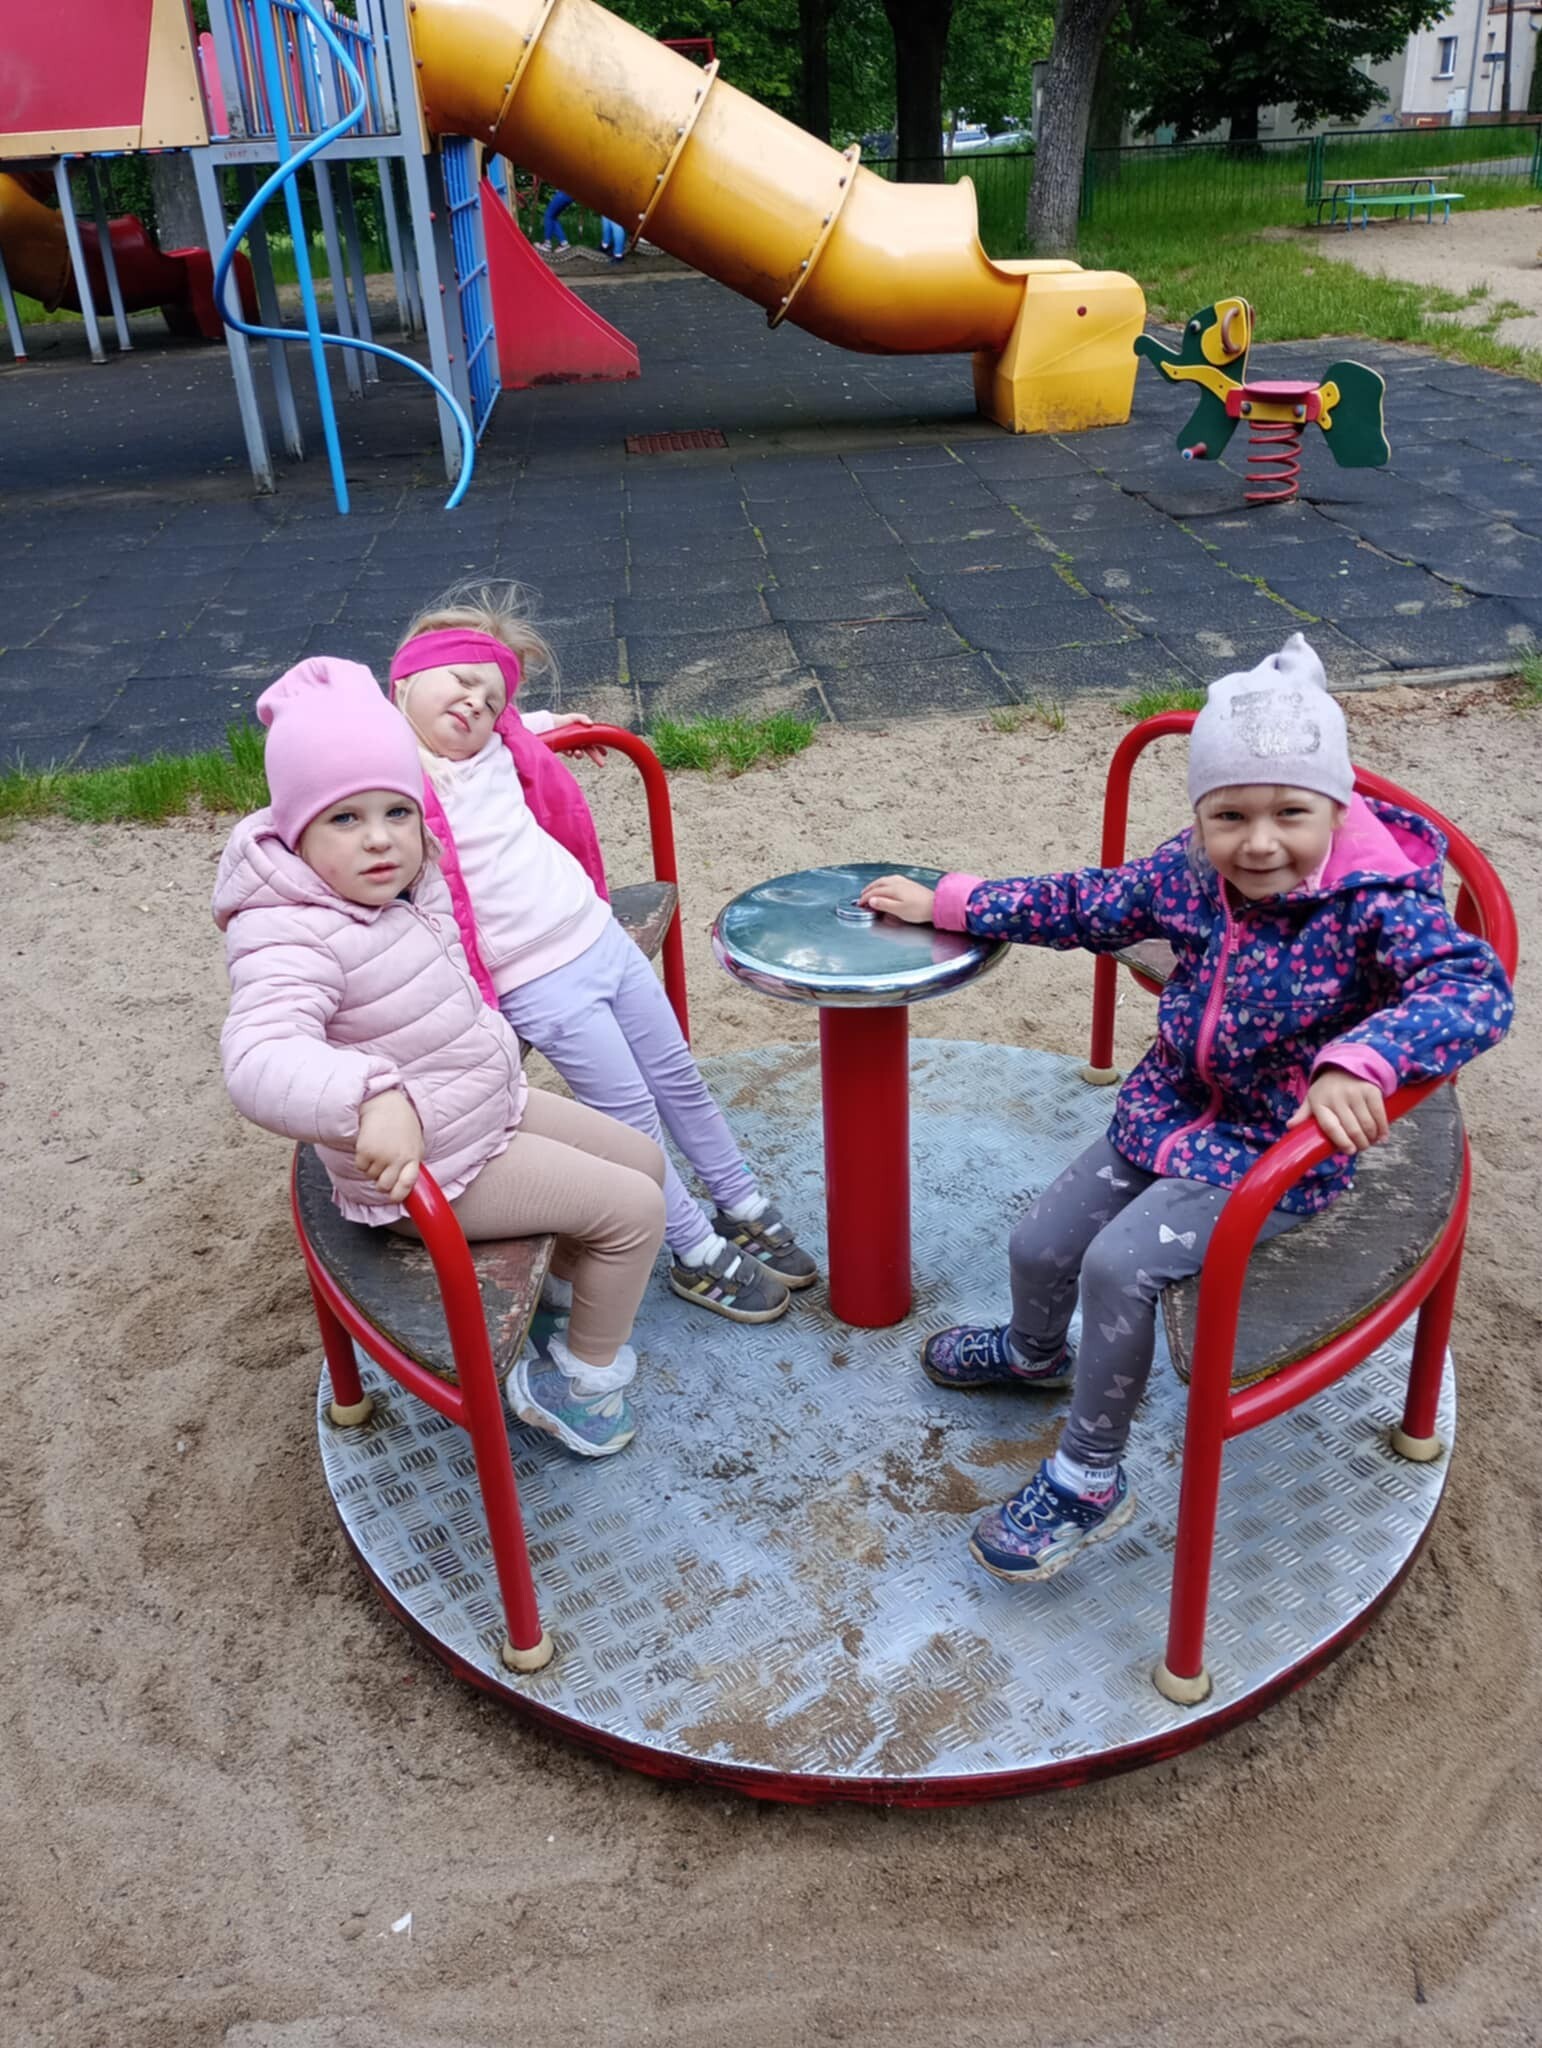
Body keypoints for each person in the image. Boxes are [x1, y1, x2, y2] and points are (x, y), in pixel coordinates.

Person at [859, 634, 1513, 1585]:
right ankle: (1035, 1357)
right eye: (1229, 814)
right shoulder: (1192, 872)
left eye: (1291, 812)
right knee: (1040, 1243)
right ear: (1200, 814)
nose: (1259, 842)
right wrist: (956, 902)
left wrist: (1362, 1061)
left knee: (1119, 1267)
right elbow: (1089, 903)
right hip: (1169, 1109)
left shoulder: (1375, 901)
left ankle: (1089, 1478)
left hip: (1274, 1145)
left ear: (1337, 807)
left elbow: (1472, 987)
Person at [214, 656, 671, 1460]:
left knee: (644, 1159)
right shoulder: (291, 930)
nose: (381, 838)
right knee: (633, 1212)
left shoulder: (406, 881)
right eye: (344, 818)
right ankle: (580, 1384)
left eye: (397, 809)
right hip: (428, 1168)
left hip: (482, 1108)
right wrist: (367, 1095)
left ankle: (558, 1307)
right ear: (294, 829)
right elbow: (258, 1055)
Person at [386, 583, 818, 1326]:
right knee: (629, 1119)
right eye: (459, 680)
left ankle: (738, 1199)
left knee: (678, 1076)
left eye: (491, 700)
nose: (474, 706)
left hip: (600, 936)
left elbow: (517, 724)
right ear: (405, 678)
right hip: (536, 981)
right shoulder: (389, 771)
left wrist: (556, 723)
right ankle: (692, 1248)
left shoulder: (496, 746)